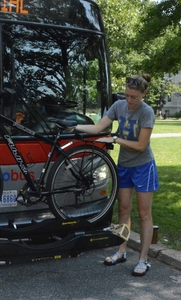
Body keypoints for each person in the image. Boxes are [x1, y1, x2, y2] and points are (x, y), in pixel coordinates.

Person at [74, 74, 159, 276]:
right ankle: (121, 251)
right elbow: (97, 127)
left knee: (144, 214)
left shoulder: (146, 112)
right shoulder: (119, 106)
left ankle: (143, 259)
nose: (129, 101)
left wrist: (116, 139)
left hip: (143, 166)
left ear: (144, 94)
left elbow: (140, 145)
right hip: (124, 166)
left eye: (134, 97)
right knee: (123, 210)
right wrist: (73, 127)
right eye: (127, 96)